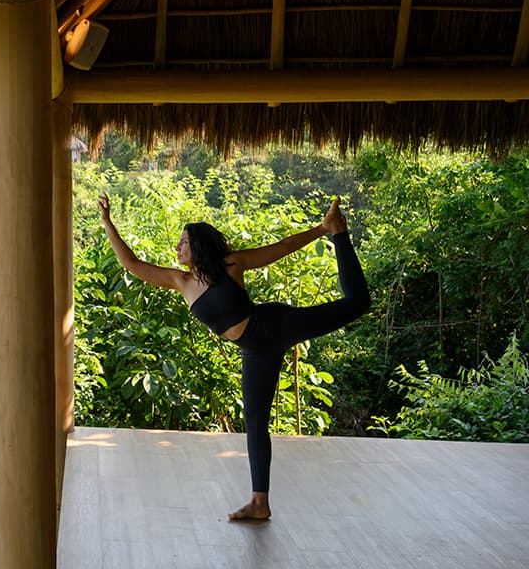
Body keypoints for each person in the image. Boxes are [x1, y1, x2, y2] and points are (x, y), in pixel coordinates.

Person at [97, 193, 370, 521]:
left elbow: (280, 249)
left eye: (183, 242)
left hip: (275, 325)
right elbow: (133, 264)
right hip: (255, 350)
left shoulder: (231, 264)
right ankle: (260, 503)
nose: (177, 248)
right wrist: (108, 224)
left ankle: (340, 232)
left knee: (357, 303)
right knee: (255, 422)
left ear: (199, 246)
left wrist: (322, 230)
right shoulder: (180, 281)